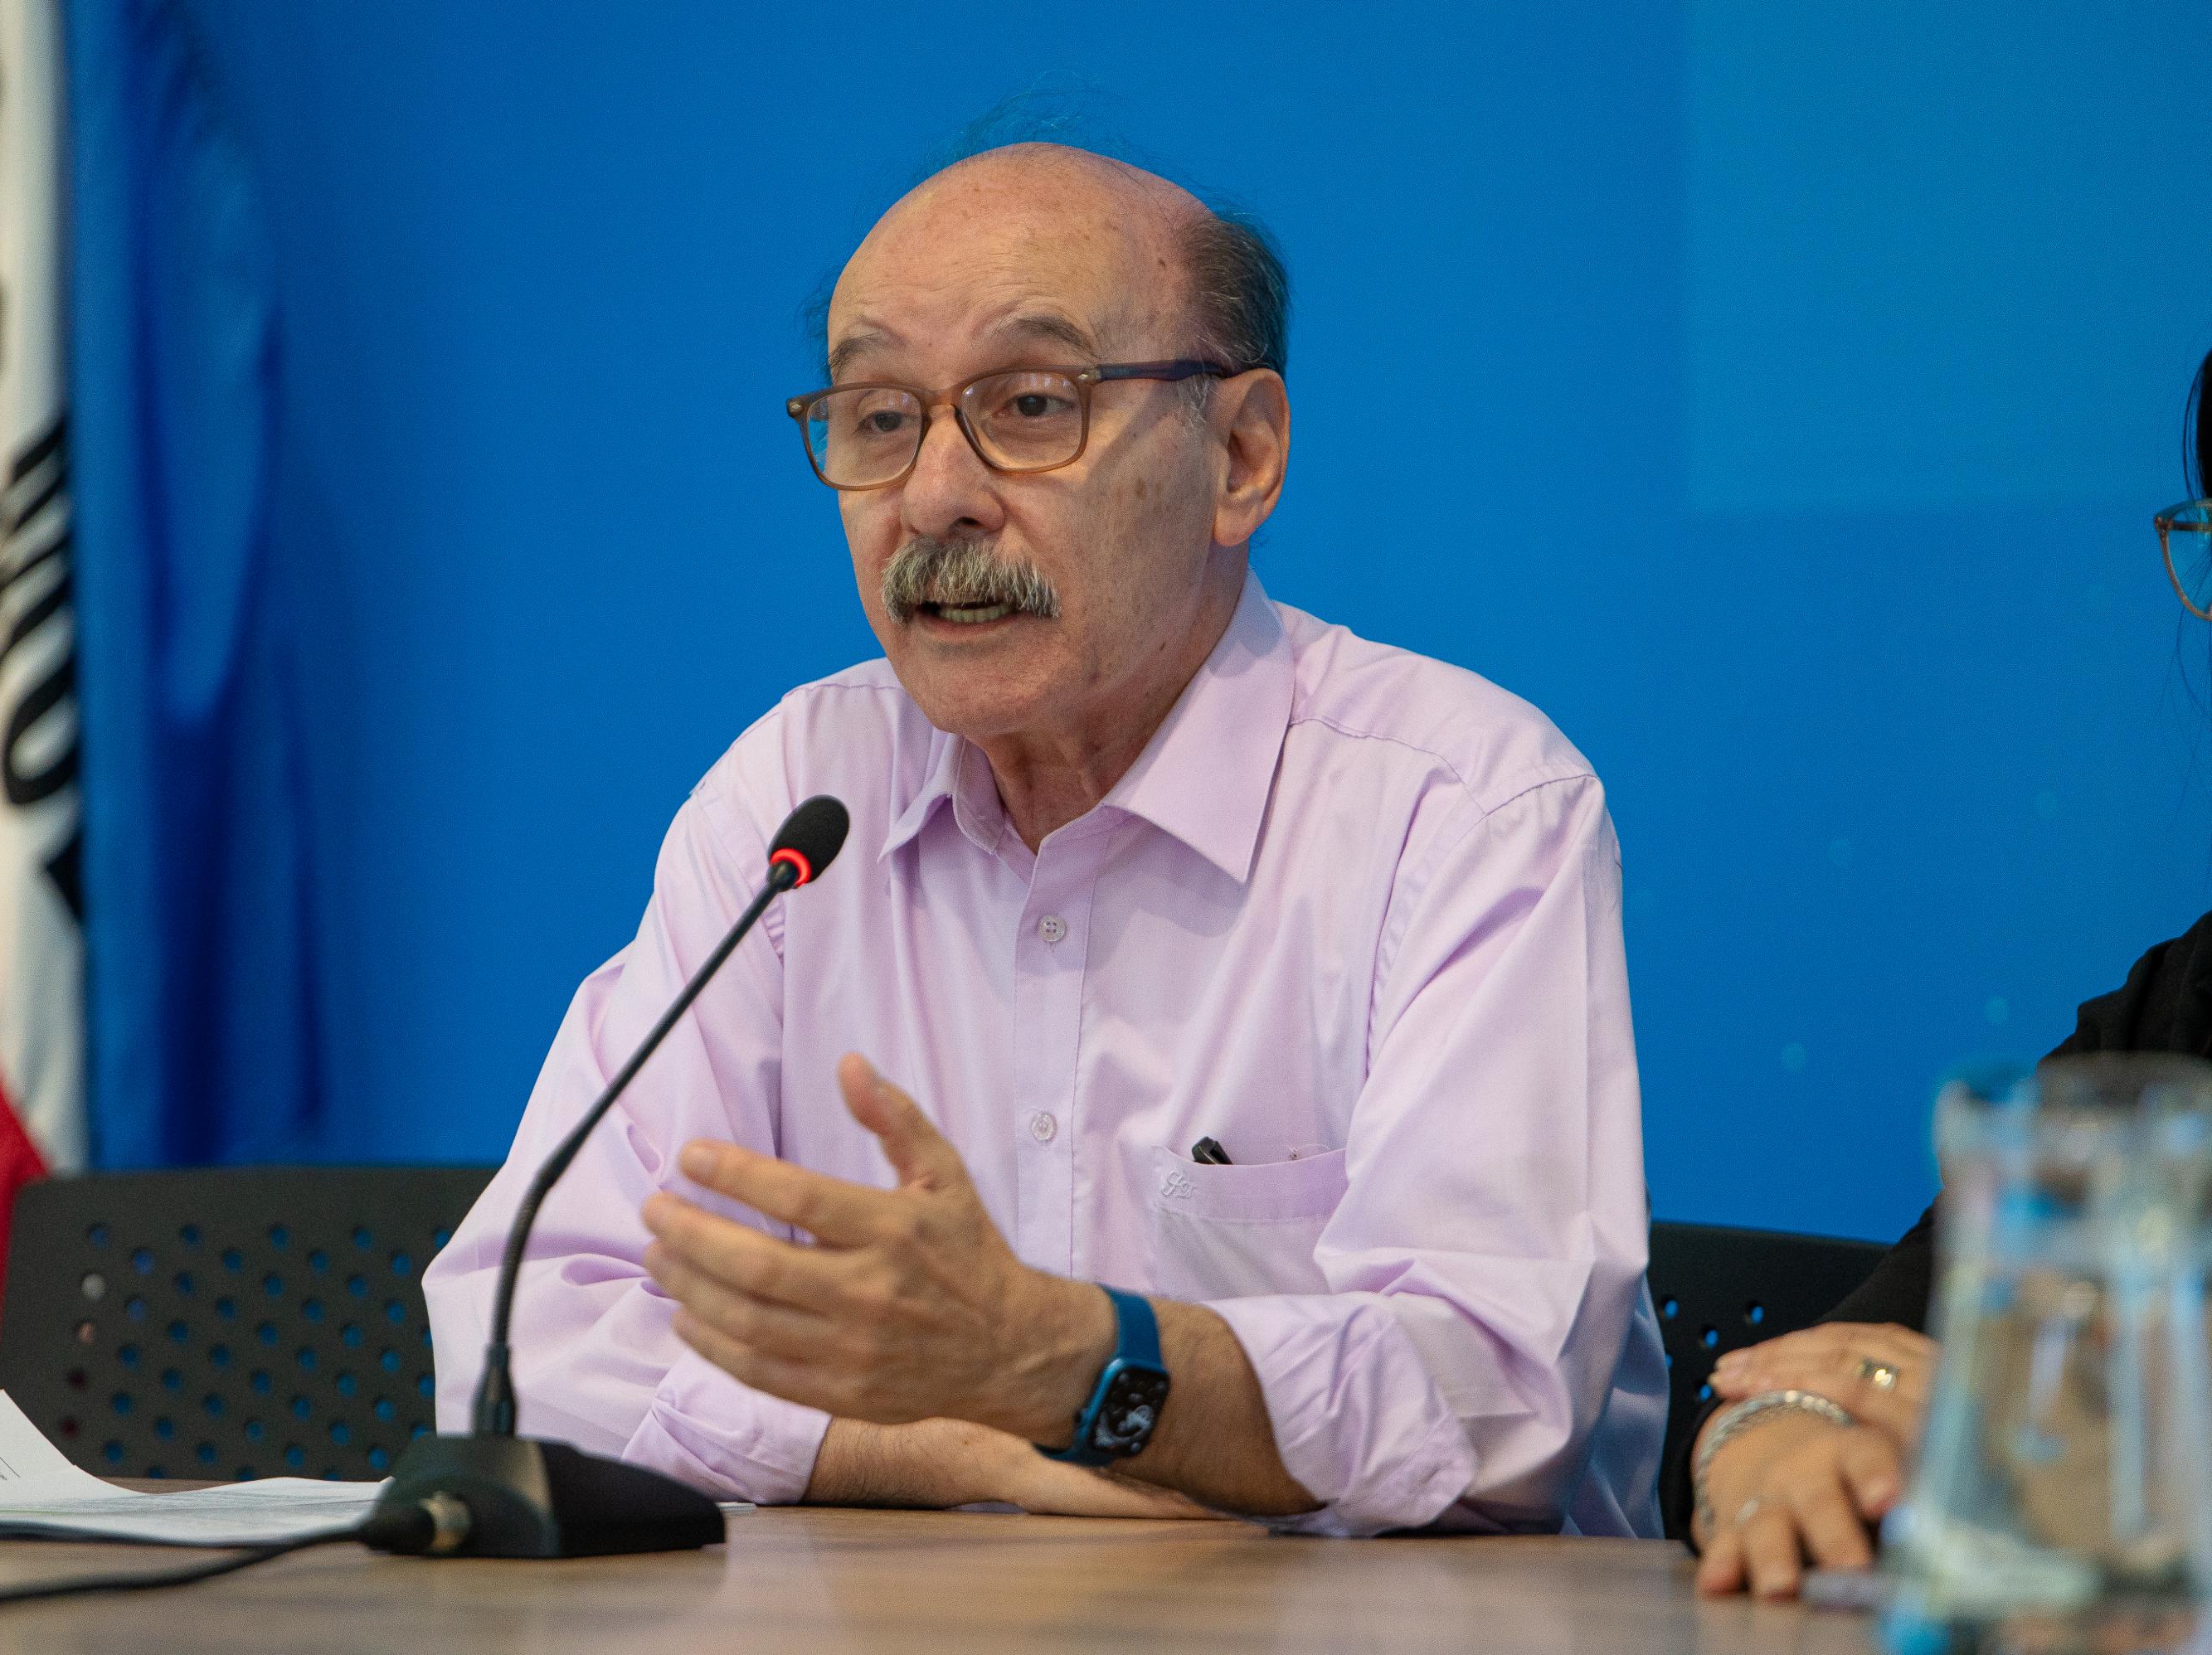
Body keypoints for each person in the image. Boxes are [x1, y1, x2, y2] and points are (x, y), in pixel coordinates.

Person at [426, 141, 1665, 1535]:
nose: (934, 497)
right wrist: (915, 1447)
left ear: (1241, 457)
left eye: (1029, 405)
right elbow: (520, 1331)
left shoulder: (1461, 812)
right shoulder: (796, 800)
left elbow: (1494, 1401)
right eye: (879, 418)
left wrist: (1073, 1364)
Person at [1673, 347, 2212, 1594]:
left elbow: (2015, 1424)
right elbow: (1839, 1358)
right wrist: (1774, 1446)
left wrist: (2082, 1444)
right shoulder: (2177, 1008)